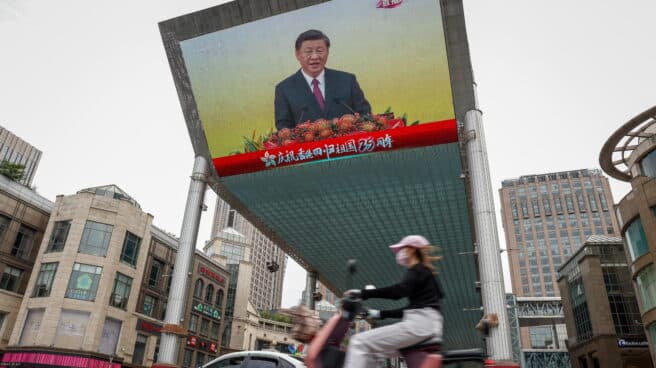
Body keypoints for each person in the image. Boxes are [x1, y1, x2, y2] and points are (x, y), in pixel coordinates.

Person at [342, 235, 444, 368]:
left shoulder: (418, 269)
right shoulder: (426, 272)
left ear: (412, 249)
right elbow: (411, 309)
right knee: (374, 352)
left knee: (358, 342)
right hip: (428, 325)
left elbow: (398, 292)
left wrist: (363, 293)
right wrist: (379, 314)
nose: (399, 253)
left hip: (419, 325)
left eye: (402, 248)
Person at [274, 29, 371, 130]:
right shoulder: (284, 89)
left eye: (320, 51)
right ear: (298, 54)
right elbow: (283, 128)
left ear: (327, 52)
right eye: (308, 51)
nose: (315, 56)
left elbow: (365, 114)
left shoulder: (347, 80)